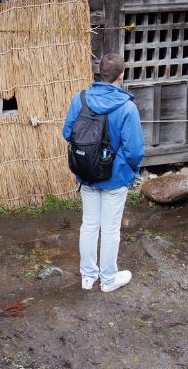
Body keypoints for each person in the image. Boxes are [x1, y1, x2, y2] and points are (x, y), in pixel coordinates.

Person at [62, 53, 145, 293]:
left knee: (89, 224)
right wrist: (130, 171)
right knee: (110, 228)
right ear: (122, 76)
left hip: (86, 172)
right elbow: (135, 150)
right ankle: (108, 280)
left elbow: (68, 133)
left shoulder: (81, 99)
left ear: (99, 74)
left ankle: (88, 277)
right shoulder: (127, 107)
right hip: (116, 176)